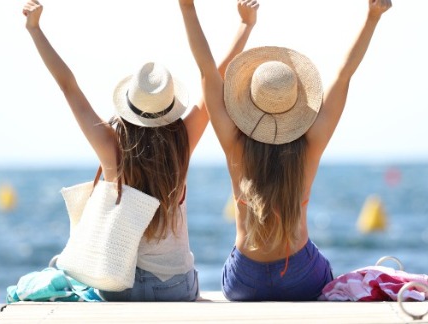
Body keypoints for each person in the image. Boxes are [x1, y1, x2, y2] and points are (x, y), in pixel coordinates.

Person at [21, 0, 258, 301]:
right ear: (170, 107)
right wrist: (244, 25)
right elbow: (214, 78)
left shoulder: (111, 148)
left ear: (129, 105)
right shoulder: (182, 142)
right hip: (175, 287)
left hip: (119, 285)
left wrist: (35, 29)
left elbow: (68, 85)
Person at [179, 0, 392, 301]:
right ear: (295, 104)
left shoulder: (234, 143)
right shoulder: (311, 144)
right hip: (299, 276)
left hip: (245, 279)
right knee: (322, 263)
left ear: (248, 103)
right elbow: (344, 74)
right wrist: (372, 18)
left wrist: (188, 8)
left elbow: (206, 71)